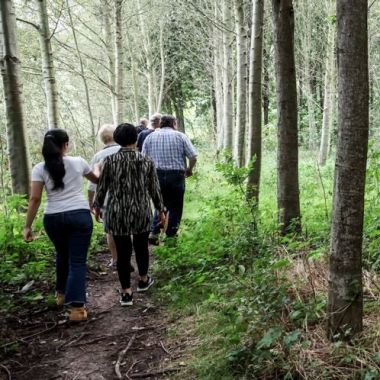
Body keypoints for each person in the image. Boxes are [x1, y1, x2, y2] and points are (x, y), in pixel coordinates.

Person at [23, 129, 98, 322]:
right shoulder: (79, 162)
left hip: (53, 218)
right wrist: (99, 168)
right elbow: (96, 180)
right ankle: (76, 309)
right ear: (66, 145)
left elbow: (35, 198)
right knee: (77, 261)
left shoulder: (39, 168)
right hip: (79, 216)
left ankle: (61, 294)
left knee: (62, 254)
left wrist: (27, 226)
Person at [93, 123, 165, 306]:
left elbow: (102, 188)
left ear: (117, 140)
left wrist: (97, 206)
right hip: (140, 211)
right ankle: (143, 280)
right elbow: (154, 189)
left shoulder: (108, 162)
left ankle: (126, 293)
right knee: (141, 247)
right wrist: (161, 210)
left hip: (117, 213)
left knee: (123, 252)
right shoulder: (146, 161)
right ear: (136, 139)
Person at [142, 114, 197, 244]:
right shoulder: (180, 136)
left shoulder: (150, 137)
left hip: (156, 175)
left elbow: (143, 159)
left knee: (159, 204)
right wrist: (189, 169)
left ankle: (154, 232)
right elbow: (193, 156)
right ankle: (170, 236)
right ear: (173, 124)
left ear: (161, 124)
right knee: (175, 206)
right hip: (176, 176)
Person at [88, 124, 120, 269]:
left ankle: (115, 259)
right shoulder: (124, 150)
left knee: (110, 230)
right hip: (128, 197)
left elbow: (93, 184)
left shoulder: (98, 157)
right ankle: (127, 257)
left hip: (107, 199)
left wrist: (92, 204)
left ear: (102, 139)